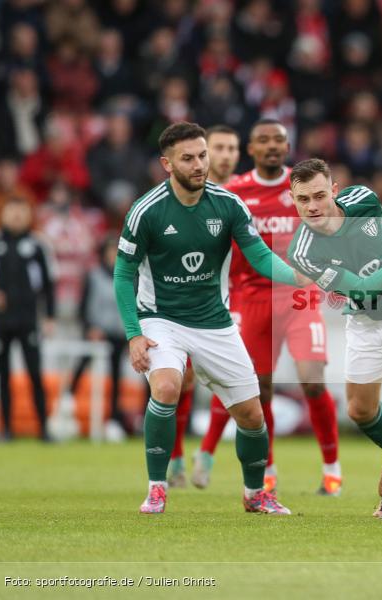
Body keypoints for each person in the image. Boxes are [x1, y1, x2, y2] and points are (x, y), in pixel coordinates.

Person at [114, 121, 304, 515]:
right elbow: (123, 273)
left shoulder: (229, 203)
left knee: (252, 413)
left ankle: (255, 494)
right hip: (160, 318)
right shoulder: (145, 211)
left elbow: (259, 256)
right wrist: (133, 334)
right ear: (167, 164)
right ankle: (157, 487)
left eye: (202, 155)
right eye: (189, 158)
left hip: (214, 321)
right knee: (166, 387)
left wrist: (298, 275)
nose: (200, 164)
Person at [192, 121, 341, 497]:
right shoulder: (235, 192)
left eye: (278, 140)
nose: (272, 146)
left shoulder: (304, 189)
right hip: (250, 298)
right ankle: (269, 469)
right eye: (264, 140)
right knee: (260, 390)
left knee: (312, 378)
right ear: (251, 149)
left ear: (288, 146)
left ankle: (331, 468)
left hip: (298, 294)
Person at [287, 158, 382, 516]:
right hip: (366, 317)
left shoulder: (364, 199)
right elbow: (361, 286)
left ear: (335, 191)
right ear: (293, 200)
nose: (312, 206)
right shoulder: (302, 251)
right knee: (360, 409)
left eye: (319, 196)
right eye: (302, 199)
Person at [167, 124, 241, 487]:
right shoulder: (184, 193)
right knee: (183, 378)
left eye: (231, 148)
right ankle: (177, 455)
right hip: (193, 297)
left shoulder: (244, 193)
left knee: (233, 378)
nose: (224, 155)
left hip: (238, 294)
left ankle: (207, 452)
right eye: (218, 148)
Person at [0, 198, 55, 441]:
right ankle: (6, 429)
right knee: (3, 376)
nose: (16, 216)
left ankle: (44, 428)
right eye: (12, 211)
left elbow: (48, 285)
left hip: (28, 320)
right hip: (0, 321)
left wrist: (49, 316)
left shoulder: (37, 245)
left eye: (21, 211)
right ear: (3, 213)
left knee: (35, 375)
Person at [66, 235, 131, 438]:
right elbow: (83, 307)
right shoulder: (93, 275)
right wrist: (90, 328)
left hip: (120, 333)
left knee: (116, 376)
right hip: (97, 333)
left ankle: (114, 416)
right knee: (83, 363)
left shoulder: (129, 275)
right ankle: (67, 398)